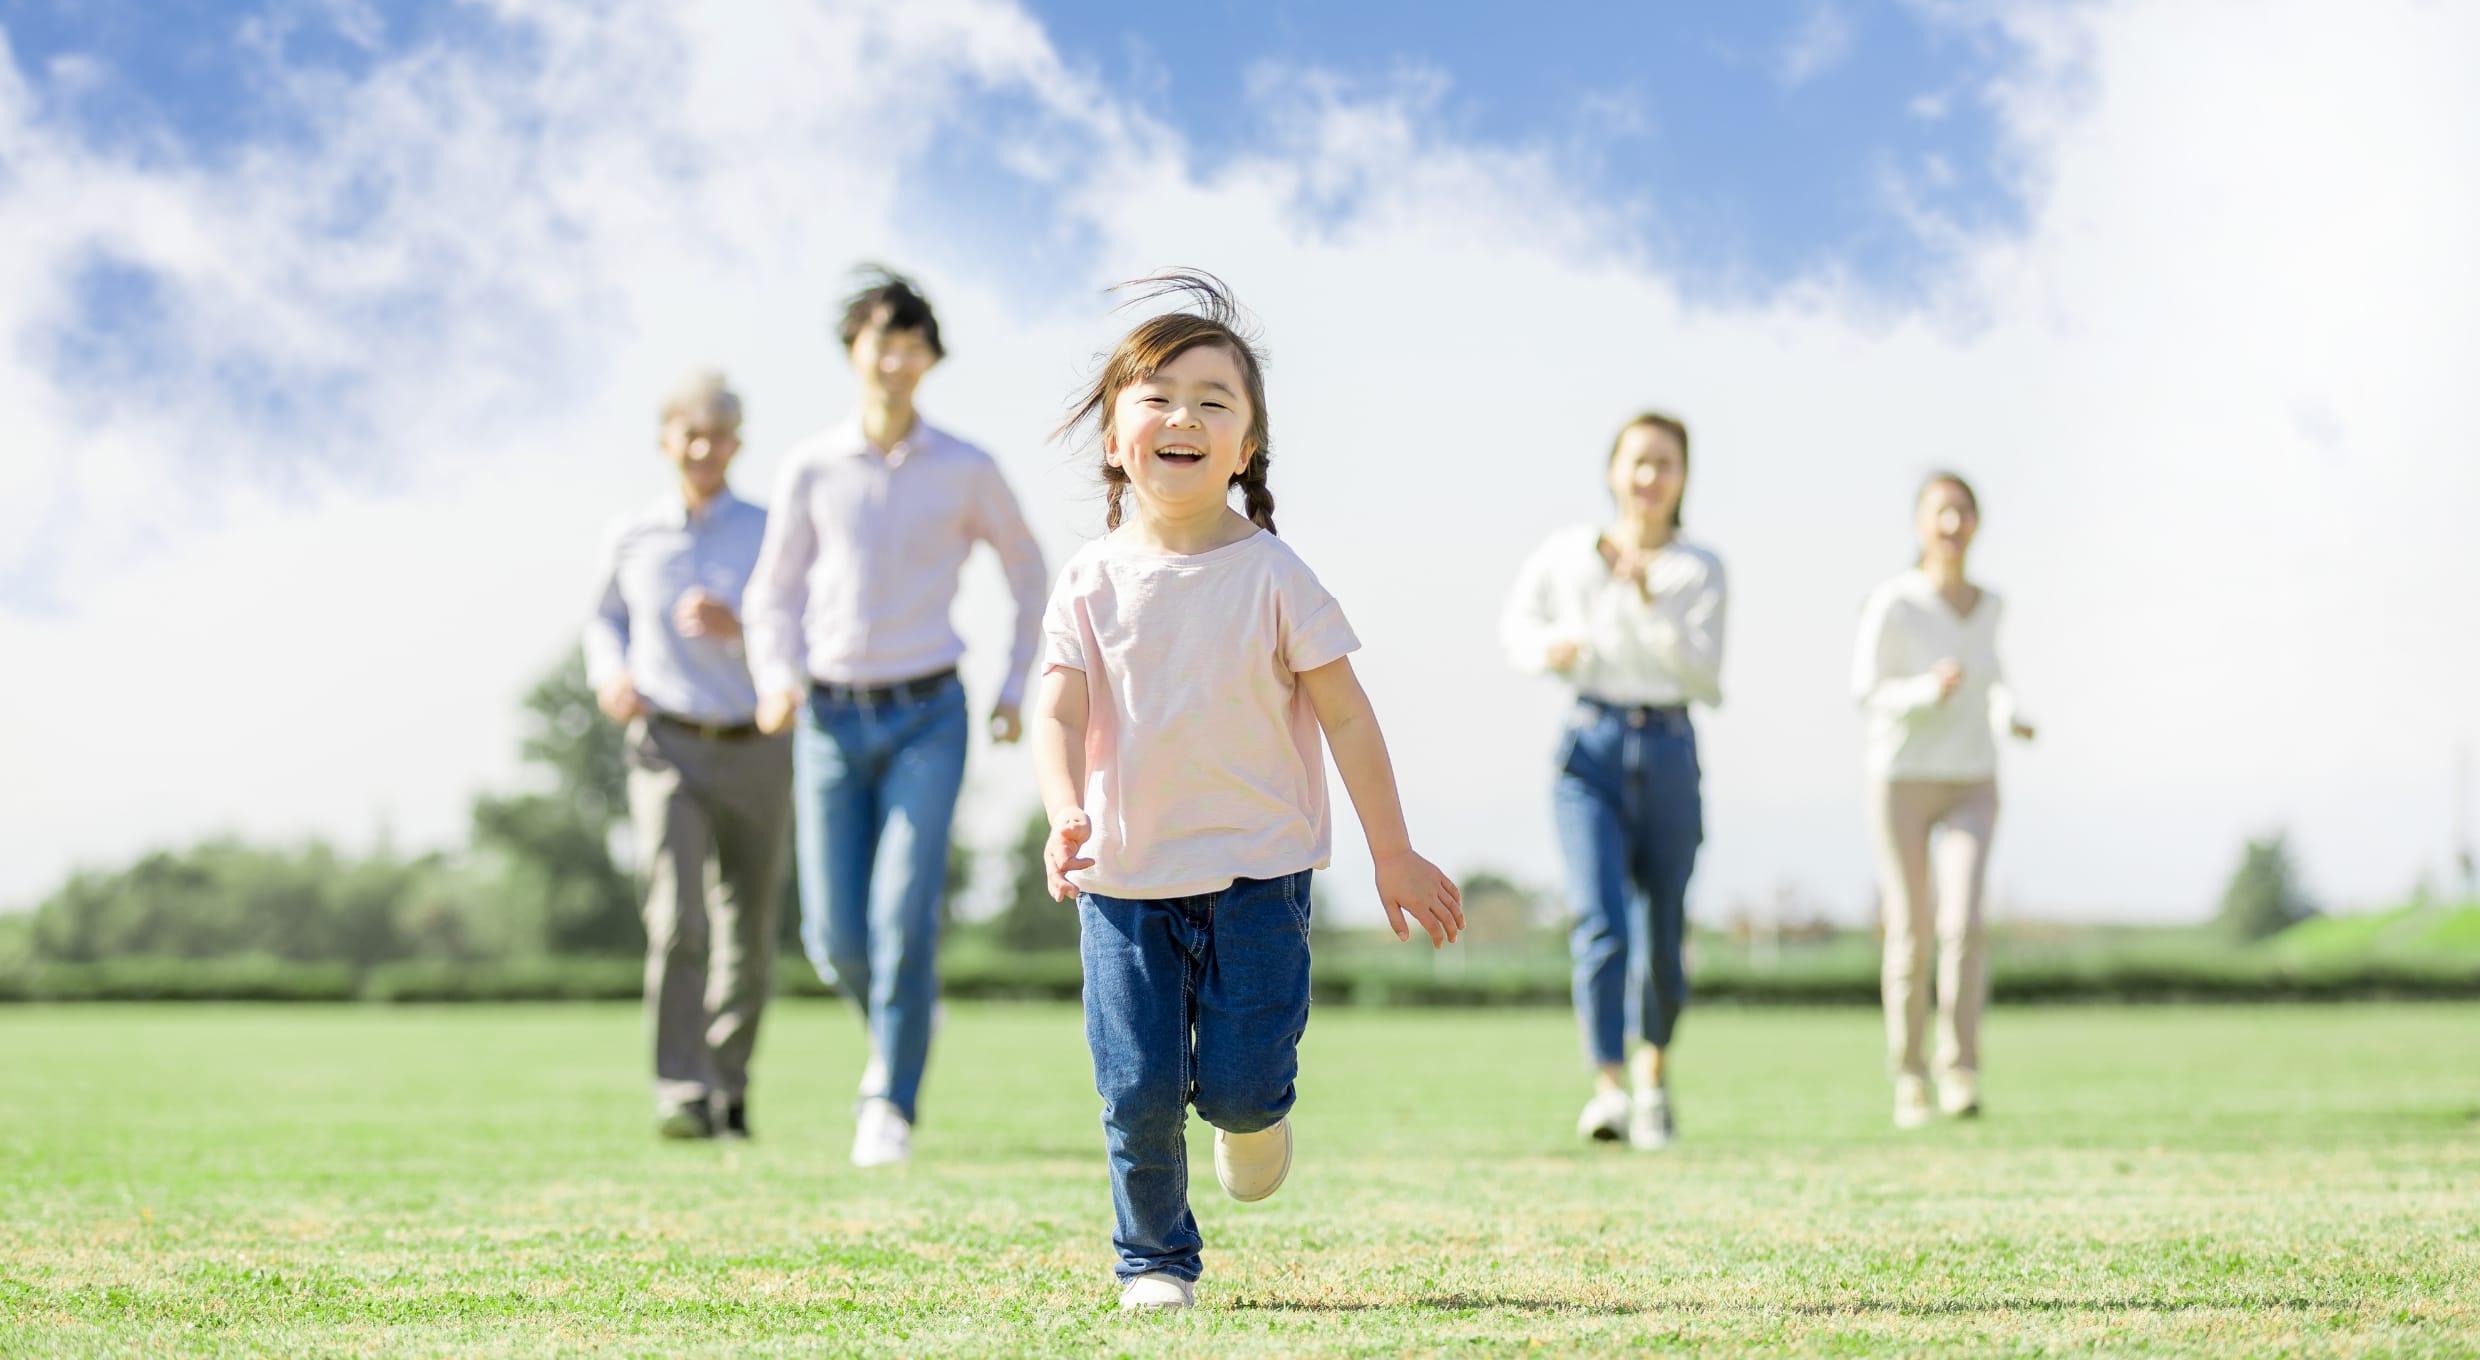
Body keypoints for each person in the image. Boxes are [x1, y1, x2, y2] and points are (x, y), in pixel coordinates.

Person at [1029, 274, 1464, 1311]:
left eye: (1212, 400)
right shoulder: (1088, 579)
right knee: (1133, 1090)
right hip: (1124, 880)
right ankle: (1153, 1260)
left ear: (1245, 446)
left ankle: (1255, 1113)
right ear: (1111, 435)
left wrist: (1390, 851)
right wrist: (1061, 811)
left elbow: (1348, 714)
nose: (1182, 414)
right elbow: (1055, 711)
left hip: (1260, 876)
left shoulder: (1275, 574)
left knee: (1236, 1078)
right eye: (1157, 394)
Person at [743, 267, 1047, 1167]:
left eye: (915, 344)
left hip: (929, 714)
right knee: (834, 937)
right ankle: (906, 1013)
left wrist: (1014, 685)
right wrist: (775, 676)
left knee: (902, 915)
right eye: (883, 340)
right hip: (829, 718)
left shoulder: (966, 467)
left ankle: (891, 1101)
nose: (897, 359)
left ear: (930, 360)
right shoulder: (811, 466)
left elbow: (1028, 572)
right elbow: (774, 591)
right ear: (854, 352)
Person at [1501, 413, 1726, 1152]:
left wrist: (1647, 595)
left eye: (1665, 463)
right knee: (1600, 925)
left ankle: (1653, 1078)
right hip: (1589, 748)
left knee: (1662, 933)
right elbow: (1518, 625)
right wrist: (1550, 651)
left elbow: (1703, 673)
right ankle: (1607, 1090)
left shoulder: (1698, 569)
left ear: (1683, 477)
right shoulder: (1567, 553)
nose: (1649, 477)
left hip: (1668, 745)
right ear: (1613, 471)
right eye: (1638, 461)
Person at [584, 369, 791, 1141]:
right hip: (665, 746)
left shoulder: (770, 532)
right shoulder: (632, 534)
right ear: (665, 440)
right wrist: (611, 676)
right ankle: (679, 1089)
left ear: (737, 443)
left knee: (748, 930)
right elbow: (602, 621)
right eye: (690, 434)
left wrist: (741, 627)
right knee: (677, 921)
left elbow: (796, 629)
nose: (704, 448)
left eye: (719, 435)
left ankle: (727, 1087)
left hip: (756, 744)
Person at [1853, 471, 2034, 1128]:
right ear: (1919, 524)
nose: (1953, 525)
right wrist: (1925, 690)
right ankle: (1909, 1076)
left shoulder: (1991, 605)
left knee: (1964, 925)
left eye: (1963, 512)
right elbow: (1866, 691)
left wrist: (2011, 714)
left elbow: (1993, 678)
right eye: (1941, 513)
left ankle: (1960, 1069)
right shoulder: (1894, 602)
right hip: (1902, 776)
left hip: (1973, 780)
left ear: (1977, 523)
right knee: (1912, 930)